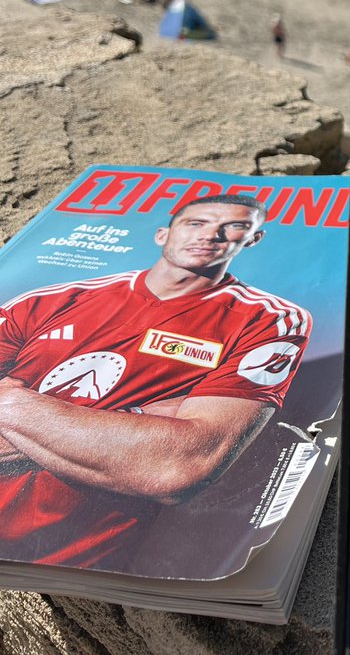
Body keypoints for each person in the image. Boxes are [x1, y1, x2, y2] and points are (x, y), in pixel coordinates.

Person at [0, 194, 310, 568]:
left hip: (73, 562)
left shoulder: (268, 320)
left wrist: (12, 400)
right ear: (163, 234)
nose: (212, 235)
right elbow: (153, 450)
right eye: (196, 223)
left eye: (235, 226)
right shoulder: (49, 302)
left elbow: (175, 465)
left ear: (253, 239)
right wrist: (138, 422)